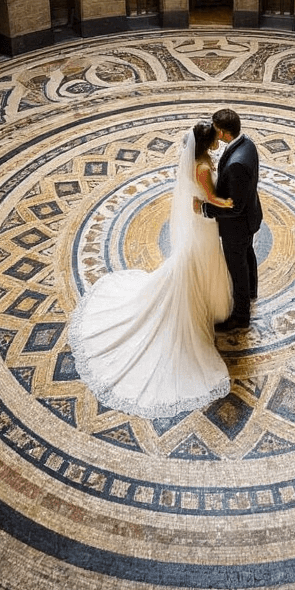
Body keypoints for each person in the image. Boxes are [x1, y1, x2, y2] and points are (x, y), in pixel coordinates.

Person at [69, 120, 233, 418]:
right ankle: (204, 302)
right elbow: (210, 198)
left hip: (200, 223)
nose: (217, 143)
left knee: (195, 262)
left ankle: (207, 299)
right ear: (208, 143)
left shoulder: (199, 160)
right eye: (215, 139)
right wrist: (228, 202)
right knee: (201, 262)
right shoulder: (204, 169)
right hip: (204, 225)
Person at [195, 107, 262, 331]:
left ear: (223, 132)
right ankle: (252, 290)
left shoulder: (236, 164)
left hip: (237, 225)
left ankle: (240, 317)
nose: (213, 132)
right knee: (248, 252)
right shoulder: (247, 144)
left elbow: (234, 208)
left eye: (216, 128)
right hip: (251, 215)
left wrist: (206, 209)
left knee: (238, 267)